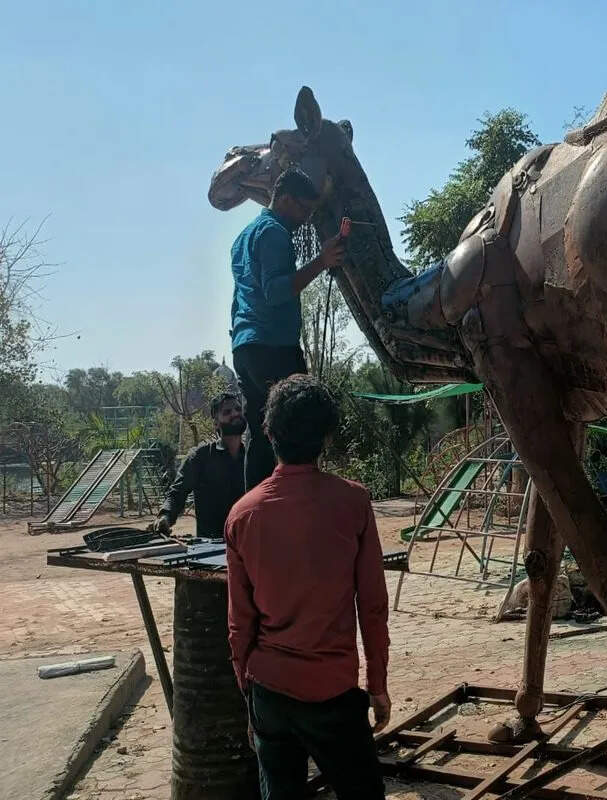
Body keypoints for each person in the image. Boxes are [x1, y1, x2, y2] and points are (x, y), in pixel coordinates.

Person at [225, 375, 389, 799]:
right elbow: (372, 606)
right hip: (332, 692)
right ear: (327, 437)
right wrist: (378, 685)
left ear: (268, 432)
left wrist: (251, 699)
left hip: (270, 692)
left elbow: (240, 622)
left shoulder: (243, 515)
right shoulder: (353, 503)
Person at [230, 167, 345, 491]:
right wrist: (323, 261)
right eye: (303, 209)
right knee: (300, 424)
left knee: (263, 434)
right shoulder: (274, 233)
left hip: (245, 347)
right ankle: (299, 506)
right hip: (273, 346)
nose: (306, 218)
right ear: (284, 199)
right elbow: (276, 291)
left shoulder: (244, 236)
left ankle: (257, 512)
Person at [150, 392, 247, 539]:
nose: (235, 413)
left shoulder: (252, 458)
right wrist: (165, 516)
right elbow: (177, 493)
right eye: (227, 412)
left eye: (238, 409)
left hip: (248, 544)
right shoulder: (200, 457)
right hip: (211, 548)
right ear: (215, 423)